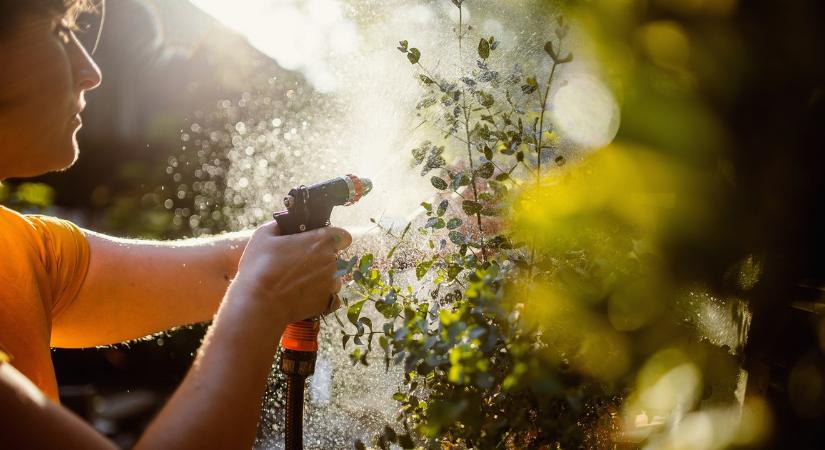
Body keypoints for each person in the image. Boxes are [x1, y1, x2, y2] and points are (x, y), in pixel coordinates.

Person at [0, 1, 352, 448]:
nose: (91, 72)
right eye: (59, 31)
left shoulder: (21, 250)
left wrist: (419, 237)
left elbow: (228, 268)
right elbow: (250, 278)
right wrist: (261, 301)